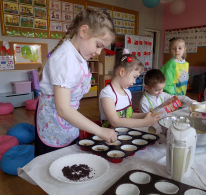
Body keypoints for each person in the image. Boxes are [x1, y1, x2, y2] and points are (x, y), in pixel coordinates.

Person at [35, 8, 117, 156]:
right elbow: (63, 109)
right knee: (52, 163)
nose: (99, 52)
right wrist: (99, 130)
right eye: (98, 45)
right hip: (54, 122)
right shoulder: (65, 59)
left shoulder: (79, 54)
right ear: (84, 31)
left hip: (66, 121)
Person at [99, 53, 160, 128]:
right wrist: (145, 122)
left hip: (126, 133)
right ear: (122, 72)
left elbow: (130, 115)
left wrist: (146, 115)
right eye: (134, 77)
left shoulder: (127, 92)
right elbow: (114, 122)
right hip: (111, 136)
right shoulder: (107, 93)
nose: (134, 81)